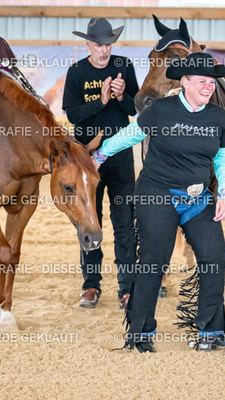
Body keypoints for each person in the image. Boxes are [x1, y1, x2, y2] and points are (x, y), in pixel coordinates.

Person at [92, 52, 225, 352]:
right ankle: (140, 333)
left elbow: (224, 158)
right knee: (153, 262)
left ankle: (210, 332)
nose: (209, 87)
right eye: (202, 82)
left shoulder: (217, 117)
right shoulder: (161, 110)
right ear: (185, 82)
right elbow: (130, 135)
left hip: (198, 198)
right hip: (157, 194)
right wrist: (99, 155)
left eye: (212, 82)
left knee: (214, 257)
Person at [63, 17, 139, 309]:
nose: (104, 50)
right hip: (86, 161)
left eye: (108, 44)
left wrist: (121, 96)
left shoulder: (124, 66)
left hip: (120, 157)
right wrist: (102, 101)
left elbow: (134, 109)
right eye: (99, 45)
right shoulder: (76, 72)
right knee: (89, 222)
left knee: (124, 222)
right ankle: (91, 286)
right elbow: (72, 115)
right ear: (88, 44)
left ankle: (127, 288)